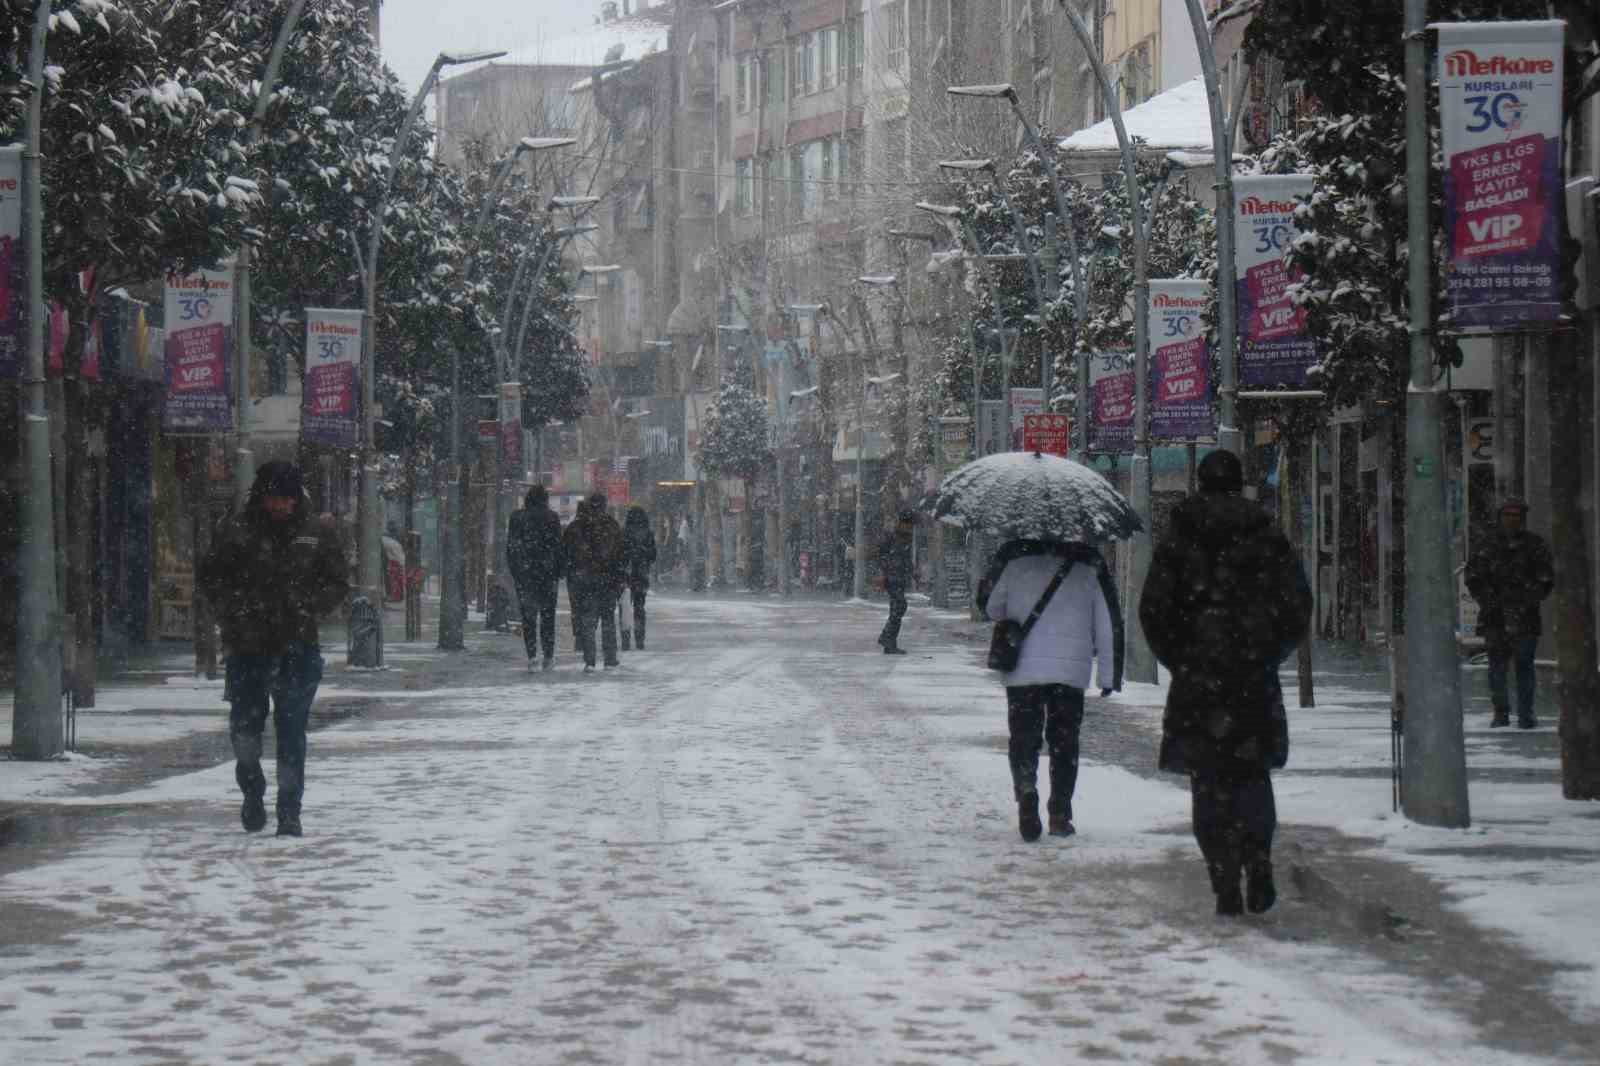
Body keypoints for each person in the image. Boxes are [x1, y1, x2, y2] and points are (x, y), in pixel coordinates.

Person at [1138, 449, 1311, 917]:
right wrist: (1266, 654)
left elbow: (1153, 610)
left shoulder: (1179, 538)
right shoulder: (1266, 534)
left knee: (1208, 780)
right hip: (1253, 678)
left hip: (1199, 682)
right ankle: (1257, 860)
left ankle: (1223, 878)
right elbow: (1297, 605)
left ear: (1200, 481)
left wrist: (1183, 659)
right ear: (1240, 482)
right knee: (1251, 776)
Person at [197, 461, 349, 838]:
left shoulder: (316, 533)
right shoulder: (235, 531)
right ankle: (252, 789)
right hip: (247, 646)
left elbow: (337, 581)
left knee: (292, 728)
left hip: (297, 644)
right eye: (274, 498)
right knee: (245, 729)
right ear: (261, 496)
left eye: (288, 499)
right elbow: (211, 578)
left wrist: (310, 605)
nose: (281, 506)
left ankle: (289, 809)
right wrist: (234, 611)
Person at [978, 541, 1120, 842]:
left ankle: (1027, 791)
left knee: (1024, 737)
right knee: (1065, 743)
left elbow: (991, 608)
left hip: (1023, 672)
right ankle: (1059, 814)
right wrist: (1108, 674)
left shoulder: (1015, 563)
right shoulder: (1087, 569)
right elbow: (1107, 624)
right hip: (1070, 673)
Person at [1464, 498, 1554, 729]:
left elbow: (1545, 579)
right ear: (1500, 517)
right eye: (1507, 515)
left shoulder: (1535, 545)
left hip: (1526, 616)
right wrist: (1490, 601)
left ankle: (1525, 714)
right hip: (1495, 617)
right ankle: (1501, 712)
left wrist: (1526, 601)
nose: (1511, 520)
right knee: (1497, 666)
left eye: (1516, 516)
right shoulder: (1487, 545)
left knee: (1524, 665)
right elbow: (1473, 578)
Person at [563, 492, 624, 671]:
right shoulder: (612, 526)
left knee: (588, 620)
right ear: (604, 506)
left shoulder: (576, 527)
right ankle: (610, 658)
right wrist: (619, 578)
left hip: (585, 581)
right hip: (607, 580)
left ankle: (589, 660)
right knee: (608, 620)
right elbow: (621, 555)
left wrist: (574, 574)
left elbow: (567, 554)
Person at [507, 485, 564, 672]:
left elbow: (512, 547)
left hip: (525, 575)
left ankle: (532, 657)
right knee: (548, 618)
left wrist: (516, 571)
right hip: (547, 575)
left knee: (528, 618)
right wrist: (558, 571)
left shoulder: (517, 518)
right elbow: (558, 548)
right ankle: (548, 657)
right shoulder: (553, 518)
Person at [876, 510, 916, 654]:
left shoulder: (905, 537)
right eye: (908, 525)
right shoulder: (891, 536)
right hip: (892, 577)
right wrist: (883, 573)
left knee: (897, 608)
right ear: (902, 523)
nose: (910, 528)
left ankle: (889, 643)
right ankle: (887, 638)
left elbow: (906, 559)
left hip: (899, 577)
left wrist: (913, 573)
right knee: (900, 606)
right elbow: (881, 555)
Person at [619, 505, 658, 650]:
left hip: (625, 576)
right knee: (639, 607)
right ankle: (639, 639)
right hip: (641, 576)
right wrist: (643, 557)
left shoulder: (623, 533)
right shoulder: (648, 534)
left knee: (625, 608)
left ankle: (625, 640)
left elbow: (619, 555)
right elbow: (653, 555)